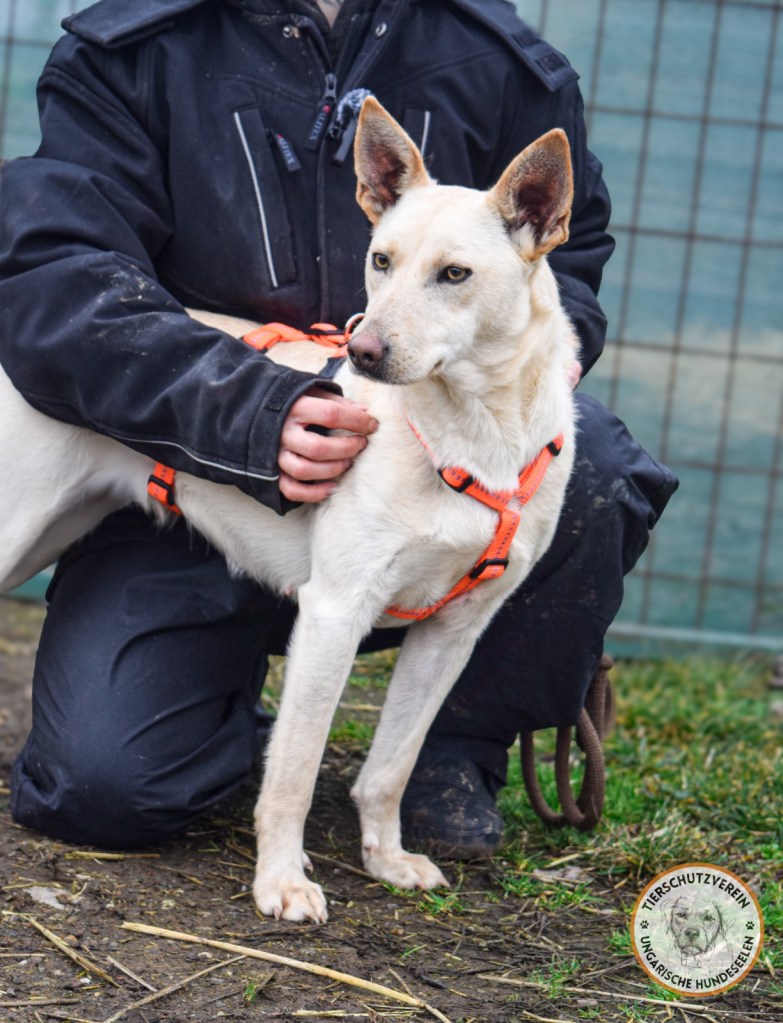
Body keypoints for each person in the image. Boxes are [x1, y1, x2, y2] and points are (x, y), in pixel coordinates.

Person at [0, 0, 677, 855]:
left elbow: (565, 262)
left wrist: (538, 361)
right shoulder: (132, 48)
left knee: (595, 466)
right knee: (102, 787)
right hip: (181, 447)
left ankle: (454, 752)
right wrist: (244, 410)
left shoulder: (501, 60)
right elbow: (62, 274)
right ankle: (203, 721)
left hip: (416, 456)